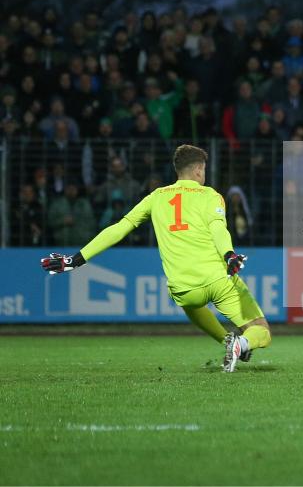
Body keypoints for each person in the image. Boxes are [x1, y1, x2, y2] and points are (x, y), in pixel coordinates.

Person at [40, 145, 271, 372]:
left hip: (184, 287)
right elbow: (218, 228)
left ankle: (227, 341)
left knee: (190, 302)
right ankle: (241, 343)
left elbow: (119, 228)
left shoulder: (157, 196)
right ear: (199, 170)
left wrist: (76, 259)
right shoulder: (211, 195)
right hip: (217, 279)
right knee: (261, 330)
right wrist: (229, 255)